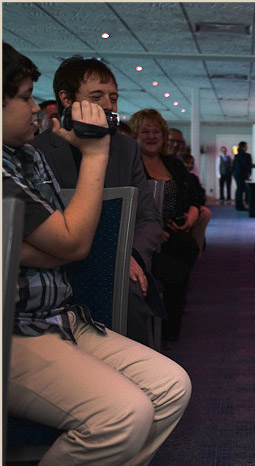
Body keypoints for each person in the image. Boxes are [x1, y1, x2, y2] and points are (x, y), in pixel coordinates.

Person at [2, 42, 190, 466]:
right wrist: (96, 152)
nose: (35, 107)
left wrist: (40, 247)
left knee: (172, 386)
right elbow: (74, 243)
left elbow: (70, 241)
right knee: (125, 413)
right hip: (17, 328)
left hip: (63, 312)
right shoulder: (47, 150)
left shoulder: (24, 157)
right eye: (24, 97)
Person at [32, 55, 162, 348]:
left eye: (113, 97)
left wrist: (128, 256)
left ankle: (136, 370)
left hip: (120, 263)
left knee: (129, 292)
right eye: (96, 97)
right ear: (66, 99)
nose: (108, 105)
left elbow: (149, 219)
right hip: (56, 263)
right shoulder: (37, 151)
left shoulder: (126, 148)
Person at [130, 108, 201, 342]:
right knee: (176, 270)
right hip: (141, 236)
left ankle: (169, 325)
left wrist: (189, 218)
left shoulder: (173, 164)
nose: (151, 136)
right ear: (135, 135)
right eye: (145, 132)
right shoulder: (131, 165)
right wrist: (153, 230)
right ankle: (162, 324)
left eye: (156, 132)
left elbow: (195, 198)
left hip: (174, 232)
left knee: (186, 248)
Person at [183, 152, 212, 252]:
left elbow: (198, 196)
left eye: (192, 163)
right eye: (187, 163)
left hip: (193, 207)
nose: (189, 165)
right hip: (183, 208)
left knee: (205, 213)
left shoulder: (193, 178)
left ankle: (197, 249)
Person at [233, 140, 253, 211]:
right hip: (242, 175)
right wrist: (249, 173)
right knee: (241, 190)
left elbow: (234, 166)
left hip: (237, 175)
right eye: (246, 146)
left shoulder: (236, 155)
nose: (247, 147)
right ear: (243, 147)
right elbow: (247, 165)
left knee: (239, 190)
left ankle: (239, 206)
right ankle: (241, 206)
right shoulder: (246, 156)